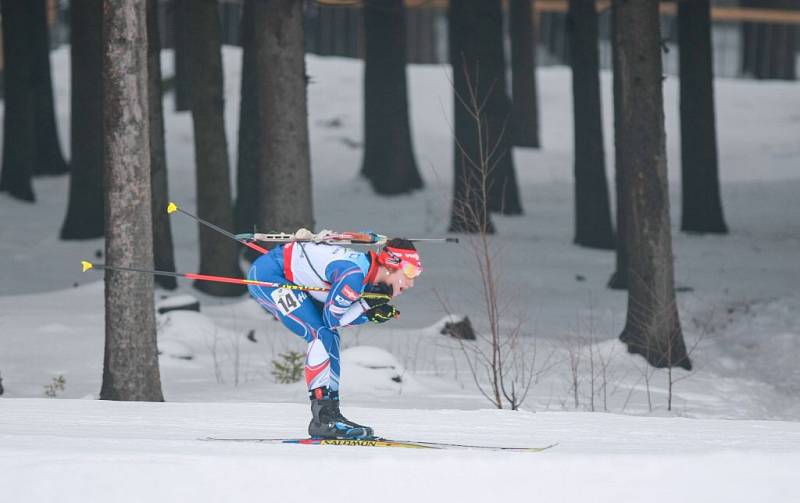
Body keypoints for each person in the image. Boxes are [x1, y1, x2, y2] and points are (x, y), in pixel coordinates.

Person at [247, 237, 422, 439]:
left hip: (288, 274)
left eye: (416, 274)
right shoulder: (354, 276)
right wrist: (366, 307)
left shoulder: (366, 279)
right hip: (270, 276)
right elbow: (332, 319)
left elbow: (336, 318)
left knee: (330, 337)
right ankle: (322, 419)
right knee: (320, 335)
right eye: (410, 272)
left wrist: (367, 312)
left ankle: (331, 414)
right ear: (391, 266)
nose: (411, 282)